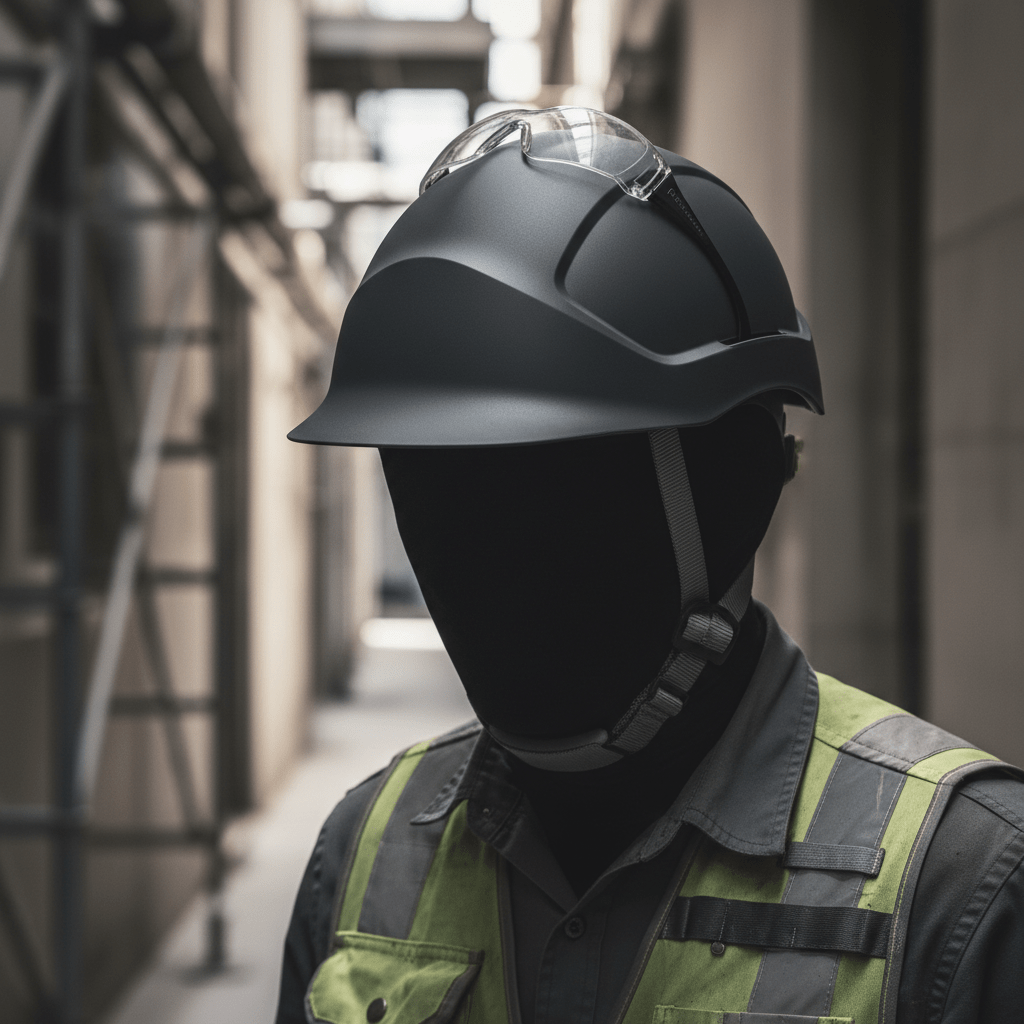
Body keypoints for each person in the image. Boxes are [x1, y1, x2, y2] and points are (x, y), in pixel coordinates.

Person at [276, 107, 1024, 1024]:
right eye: (431, 485)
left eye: (546, 483)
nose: (479, 553)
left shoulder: (959, 887)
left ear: (728, 493)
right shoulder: (363, 852)